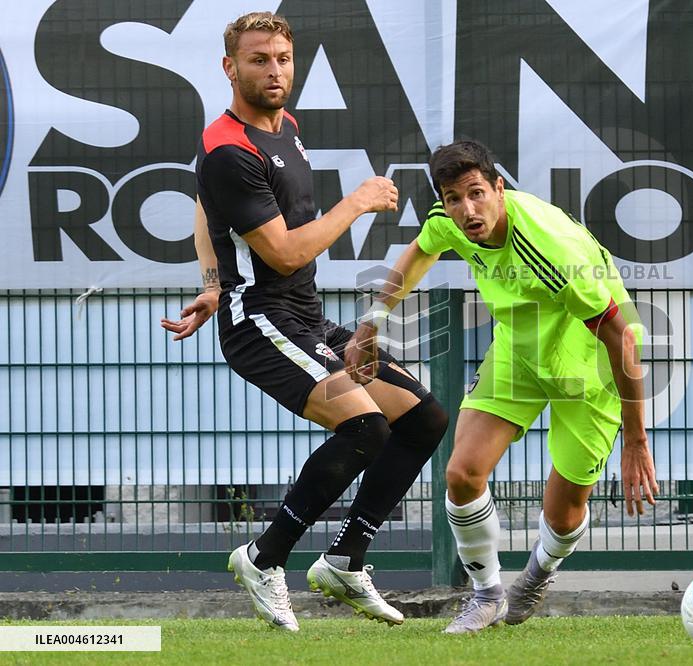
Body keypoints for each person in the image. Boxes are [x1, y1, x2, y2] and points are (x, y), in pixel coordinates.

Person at [160, 11, 447, 631]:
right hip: (259, 324)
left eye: (283, 59)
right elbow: (286, 252)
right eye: (259, 59)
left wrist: (209, 285)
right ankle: (265, 560)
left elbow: (204, 214)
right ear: (229, 66)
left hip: (306, 318)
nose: (274, 70)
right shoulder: (227, 148)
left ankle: (346, 558)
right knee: (366, 427)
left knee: (424, 418)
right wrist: (357, 201)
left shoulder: (285, 127)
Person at [344, 140, 659, 634]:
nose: (467, 210)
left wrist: (636, 441)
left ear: (499, 189)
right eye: (453, 198)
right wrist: (371, 324)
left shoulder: (550, 247)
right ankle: (487, 594)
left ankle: (536, 576)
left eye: (476, 194)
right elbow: (422, 249)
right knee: (462, 473)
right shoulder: (448, 216)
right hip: (519, 351)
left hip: (589, 363)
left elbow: (621, 339)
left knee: (562, 510)